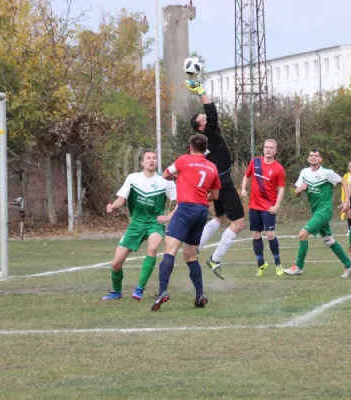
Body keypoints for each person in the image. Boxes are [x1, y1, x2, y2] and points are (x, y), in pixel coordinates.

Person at [152, 133, 221, 311]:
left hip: (184, 210)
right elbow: (215, 195)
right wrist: (199, 196)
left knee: (170, 250)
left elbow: (166, 174)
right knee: (191, 255)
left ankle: (162, 291)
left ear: (190, 147)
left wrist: (178, 178)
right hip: (201, 212)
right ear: (205, 149)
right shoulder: (212, 167)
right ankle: (199, 295)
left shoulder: (184, 160)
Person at [186, 79, 246, 280]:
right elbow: (212, 110)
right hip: (224, 181)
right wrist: (200, 90)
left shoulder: (206, 138)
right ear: (201, 128)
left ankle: (195, 248)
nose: (205, 116)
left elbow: (210, 113)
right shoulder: (209, 132)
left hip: (216, 181)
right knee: (238, 223)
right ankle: (215, 258)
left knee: (219, 218)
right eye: (203, 118)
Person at [102, 149, 177, 301]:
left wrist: (169, 216)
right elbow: (121, 200)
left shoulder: (165, 181)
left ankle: (139, 288)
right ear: (142, 162)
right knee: (116, 264)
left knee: (153, 247)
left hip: (155, 223)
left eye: (154, 158)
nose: (151, 160)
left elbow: (180, 201)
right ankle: (116, 292)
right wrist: (113, 206)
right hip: (136, 224)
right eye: (148, 158)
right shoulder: (133, 178)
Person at [284, 149, 351, 278]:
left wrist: (347, 202)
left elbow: (344, 181)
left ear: (320, 159)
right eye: (311, 156)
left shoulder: (326, 173)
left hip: (325, 211)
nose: (313, 158)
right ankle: (349, 264)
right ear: (308, 159)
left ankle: (298, 267)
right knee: (328, 240)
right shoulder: (304, 173)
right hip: (316, 212)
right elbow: (296, 193)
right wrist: (300, 189)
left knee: (302, 234)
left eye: (316, 156)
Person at [240, 139, 286, 277]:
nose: (268, 150)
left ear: (275, 151)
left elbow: (281, 189)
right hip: (254, 206)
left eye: (271, 148)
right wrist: (243, 189)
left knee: (270, 235)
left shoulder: (278, 168)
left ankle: (278, 263)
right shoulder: (255, 162)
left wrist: (277, 205)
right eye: (266, 147)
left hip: (269, 206)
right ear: (263, 149)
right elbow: (246, 176)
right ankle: (261, 264)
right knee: (255, 235)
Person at [341, 161, 351, 234]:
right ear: (348, 167)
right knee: (349, 212)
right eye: (350, 166)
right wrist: (343, 199)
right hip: (349, 196)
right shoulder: (346, 176)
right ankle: (350, 228)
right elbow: (343, 188)